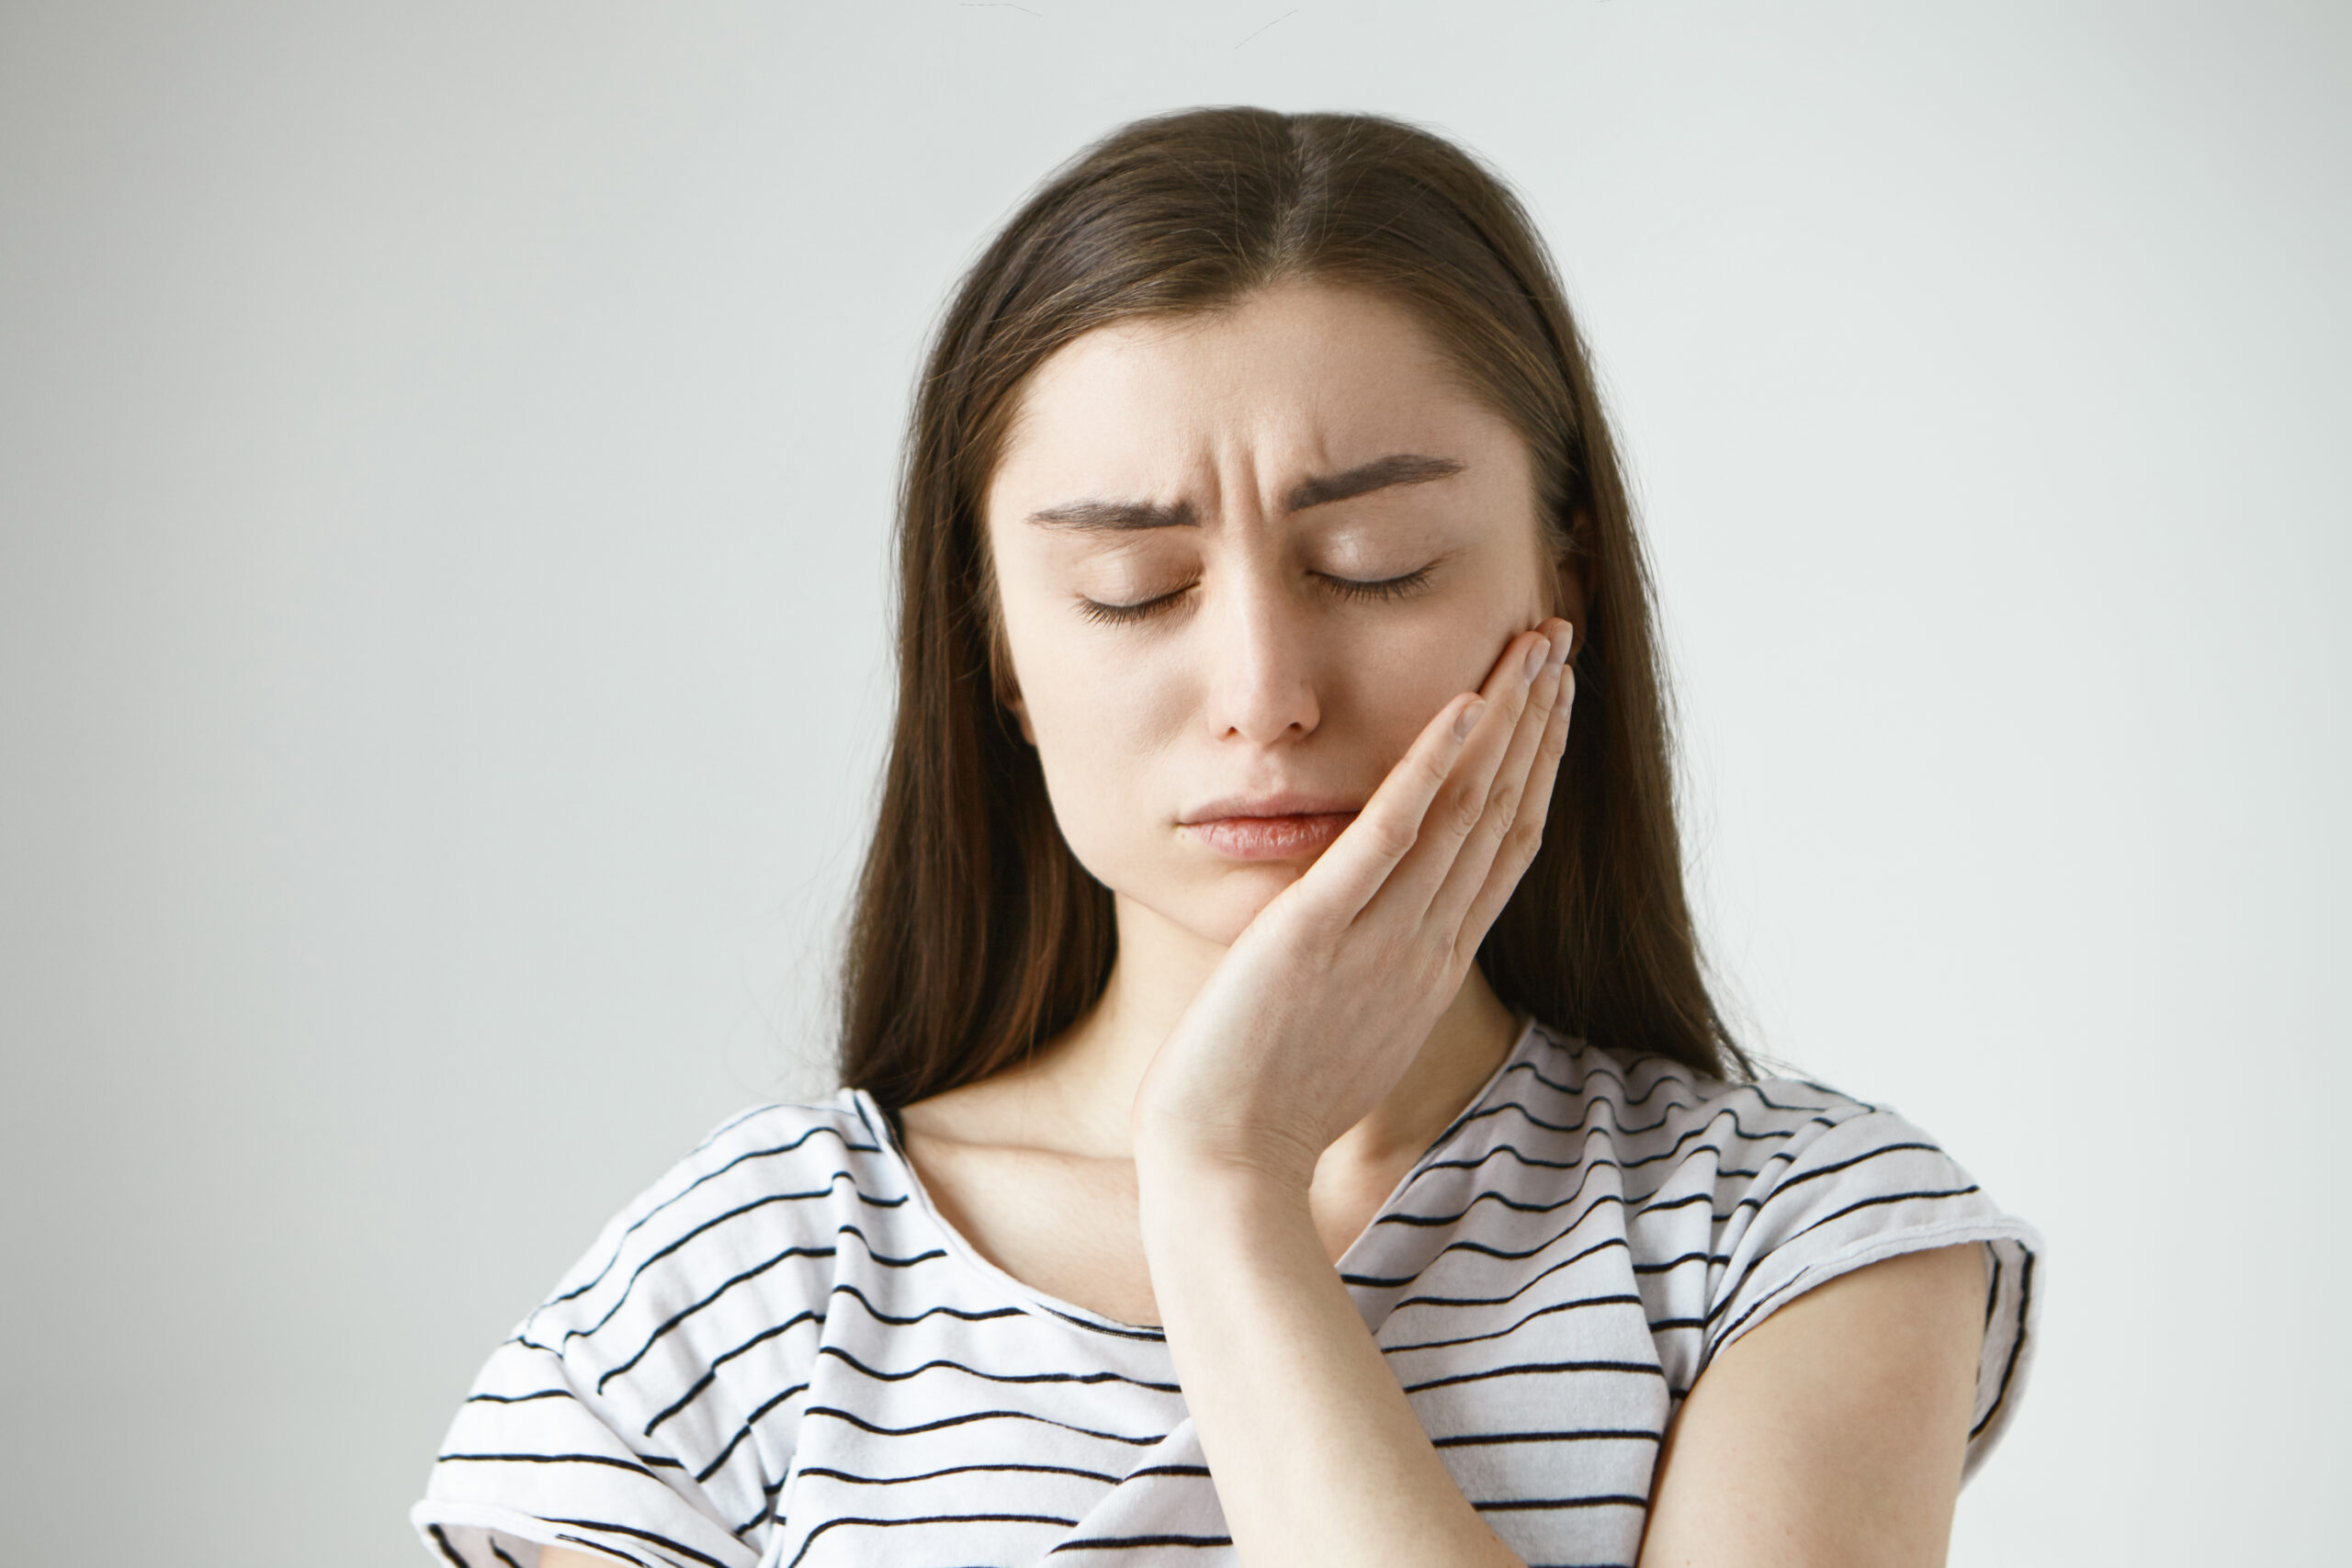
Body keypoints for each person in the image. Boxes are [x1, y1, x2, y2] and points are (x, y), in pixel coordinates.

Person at [413, 107, 2039, 1568]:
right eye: (1136, 589)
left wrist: (1228, 1192)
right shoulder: (742, 1286)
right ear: (997, 652)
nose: (1263, 694)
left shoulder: (1803, 1236)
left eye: (1377, 562)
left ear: (1562, 588)